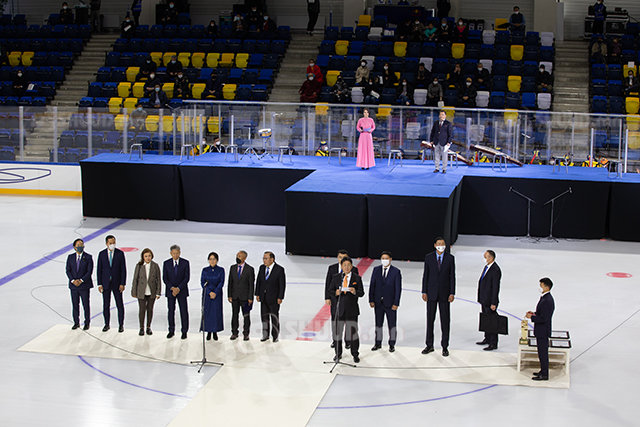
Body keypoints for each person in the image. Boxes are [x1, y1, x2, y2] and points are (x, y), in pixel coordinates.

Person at [421, 236, 456, 357]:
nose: (441, 246)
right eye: (439, 244)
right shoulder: (429, 257)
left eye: (443, 244)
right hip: (431, 293)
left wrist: (452, 293)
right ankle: (429, 345)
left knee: (445, 320)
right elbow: (426, 275)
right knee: (430, 319)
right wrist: (424, 291)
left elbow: (452, 276)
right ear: (435, 245)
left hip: (445, 294)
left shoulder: (450, 258)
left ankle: (445, 346)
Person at [330, 256, 364, 363]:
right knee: (337, 333)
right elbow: (330, 291)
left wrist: (355, 291)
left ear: (352, 266)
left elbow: (361, 293)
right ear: (341, 266)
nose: (346, 267)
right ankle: (338, 354)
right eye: (344, 265)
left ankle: (355, 354)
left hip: (352, 310)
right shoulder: (336, 277)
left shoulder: (357, 278)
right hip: (339, 310)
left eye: (349, 265)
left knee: (353, 333)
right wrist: (336, 293)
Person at [324, 250, 360, 349]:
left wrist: (354, 294)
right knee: (335, 322)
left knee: (349, 323)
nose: (341, 259)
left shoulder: (354, 270)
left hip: (349, 302)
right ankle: (335, 341)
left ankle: (348, 341)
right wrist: (327, 297)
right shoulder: (332, 268)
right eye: (340, 257)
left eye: (344, 257)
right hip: (335, 301)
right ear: (337, 257)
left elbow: (357, 286)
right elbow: (328, 283)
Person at [369, 251, 401, 352]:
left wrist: (396, 303)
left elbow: (398, 289)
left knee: (392, 325)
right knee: (378, 324)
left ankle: (392, 344)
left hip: (390, 303)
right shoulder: (376, 270)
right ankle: (377, 343)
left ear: (390, 259)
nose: (384, 260)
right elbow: (372, 285)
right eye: (383, 258)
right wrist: (371, 299)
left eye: (386, 258)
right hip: (378, 303)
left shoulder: (396, 272)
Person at [525, 277, 555, 381]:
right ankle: (542, 370)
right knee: (541, 352)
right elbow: (541, 313)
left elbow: (544, 318)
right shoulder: (544, 298)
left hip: (543, 331)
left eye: (541, 285)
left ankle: (545, 374)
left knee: (543, 353)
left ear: (546, 287)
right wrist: (533, 313)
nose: (540, 287)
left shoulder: (547, 300)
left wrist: (532, 317)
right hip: (540, 330)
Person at [97, 235, 126, 333]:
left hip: (117, 284)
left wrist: (122, 283)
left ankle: (121, 325)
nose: (112, 244)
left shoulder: (120, 253)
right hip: (105, 283)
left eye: (114, 243)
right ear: (106, 243)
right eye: (110, 243)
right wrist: (99, 284)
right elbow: (99, 270)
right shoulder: (101, 254)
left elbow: (123, 269)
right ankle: (106, 324)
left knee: (119, 304)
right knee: (106, 305)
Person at [255, 251, 286, 342]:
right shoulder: (262, 268)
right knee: (264, 318)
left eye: (266, 258)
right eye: (263, 258)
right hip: (263, 297)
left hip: (274, 298)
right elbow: (259, 281)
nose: (264, 260)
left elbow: (282, 285)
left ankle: (275, 336)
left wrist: (280, 297)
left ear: (272, 259)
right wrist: (257, 294)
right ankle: (265, 335)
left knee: (274, 318)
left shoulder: (279, 269)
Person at [131, 248, 161, 336]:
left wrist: (158, 292)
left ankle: (148, 327)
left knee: (150, 310)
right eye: (146, 256)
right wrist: (134, 292)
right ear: (143, 257)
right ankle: (141, 328)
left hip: (152, 291)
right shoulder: (139, 266)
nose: (148, 258)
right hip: (141, 291)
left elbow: (158, 280)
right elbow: (135, 279)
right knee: (142, 310)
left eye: (149, 256)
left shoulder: (155, 266)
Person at [163, 244, 190, 339]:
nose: (175, 255)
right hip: (170, 292)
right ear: (171, 253)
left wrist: (178, 288)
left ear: (180, 253)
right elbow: (165, 278)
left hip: (182, 291)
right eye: (174, 253)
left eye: (177, 253)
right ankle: (171, 330)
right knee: (171, 311)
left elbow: (186, 278)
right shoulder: (166, 263)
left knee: (183, 311)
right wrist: (172, 288)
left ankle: (184, 331)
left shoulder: (185, 263)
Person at [66, 238, 93, 331]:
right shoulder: (70, 257)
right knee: (75, 305)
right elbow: (68, 270)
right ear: (74, 247)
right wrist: (73, 280)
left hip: (84, 285)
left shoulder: (88, 257)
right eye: (78, 245)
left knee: (86, 305)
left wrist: (81, 280)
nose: (80, 246)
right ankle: (76, 322)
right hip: (73, 286)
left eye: (82, 245)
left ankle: (87, 323)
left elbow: (89, 271)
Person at [228, 250, 255, 341]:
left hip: (245, 298)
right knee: (234, 315)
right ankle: (234, 333)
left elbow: (251, 285)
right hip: (235, 296)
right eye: (237, 256)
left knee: (246, 316)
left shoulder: (250, 269)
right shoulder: (232, 268)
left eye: (239, 256)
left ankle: (246, 334)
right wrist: (229, 295)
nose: (237, 258)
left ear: (244, 258)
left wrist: (250, 297)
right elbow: (230, 282)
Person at [476, 250, 501, 351]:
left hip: (490, 301)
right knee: (486, 320)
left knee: (492, 321)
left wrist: (493, 302)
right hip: (484, 299)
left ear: (491, 257)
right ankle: (487, 338)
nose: (484, 259)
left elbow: (495, 288)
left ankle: (493, 343)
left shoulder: (495, 270)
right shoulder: (487, 267)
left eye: (485, 257)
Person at [200, 252, 225, 341]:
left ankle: (215, 331)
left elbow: (221, 282)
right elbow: (203, 282)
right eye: (210, 259)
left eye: (214, 259)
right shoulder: (205, 270)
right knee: (208, 313)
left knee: (215, 313)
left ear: (217, 260)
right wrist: (209, 292)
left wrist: (215, 292)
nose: (212, 261)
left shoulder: (221, 270)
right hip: (207, 295)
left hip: (217, 295)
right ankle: (208, 331)